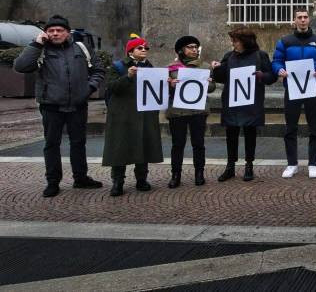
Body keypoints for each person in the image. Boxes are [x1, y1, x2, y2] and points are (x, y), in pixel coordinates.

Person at [13, 15, 104, 197]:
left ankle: (81, 178)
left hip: (78, 104)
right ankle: (53, 182)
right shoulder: (41, 50)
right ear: (46, 33)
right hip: (51, 105)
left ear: (67, 32)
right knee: (52, 144)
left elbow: (98, 70)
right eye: (51, 30)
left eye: (59, 30)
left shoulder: (81, 48)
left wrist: (89, 88)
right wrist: (36, 44)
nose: (55, 33)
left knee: (78, 143)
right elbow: (21, 66)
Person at [272, 8, 316, 178]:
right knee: (290, 128)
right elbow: (276, 61)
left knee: (314, 128)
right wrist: (280, 70)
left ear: (309, 20)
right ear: (295, 20)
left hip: (312, 89)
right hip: (292, 89)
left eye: (305, 17)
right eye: (299, 17)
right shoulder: (285, 41)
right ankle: (292, 164)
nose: (303, 20)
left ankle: (313, 163)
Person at [211, 28, 276, 182]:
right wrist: (216, 68)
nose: (233, 44)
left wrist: (262, 76)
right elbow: (222, 78)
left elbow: (271, 77)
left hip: (251, 103)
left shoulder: (260, 56)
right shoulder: (229, 56)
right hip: (232, 103)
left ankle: (249, 165)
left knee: (249, 134)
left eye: (235, 41)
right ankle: (230, 166)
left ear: (245, 42)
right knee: (231, 135)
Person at [102, 34, 164, 197]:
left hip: (144, 115)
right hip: (122, 115)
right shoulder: (118, 66)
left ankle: (141, 179)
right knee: (119, 149)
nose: (144, 50)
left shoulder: (151, 68)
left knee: (143, 146)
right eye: (140, 48)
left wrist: (169, 85)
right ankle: (118, 182)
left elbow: (157, 91)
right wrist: (127, 77)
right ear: (130, 51)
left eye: (146, 48)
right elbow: (111, 87)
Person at [165, 36, 217, 188]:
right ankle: (175, 175)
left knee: (198, 144)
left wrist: (210, 83)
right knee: (177, 145)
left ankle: (199, 173)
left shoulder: (205, 67)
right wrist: (170, 85)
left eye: (196, 47)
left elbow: (212, 88)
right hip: (177, 112)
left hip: (198, 112)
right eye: (190, 47)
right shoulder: (171, 68)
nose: (194, 50)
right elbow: (163, 89)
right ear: (182, 50)